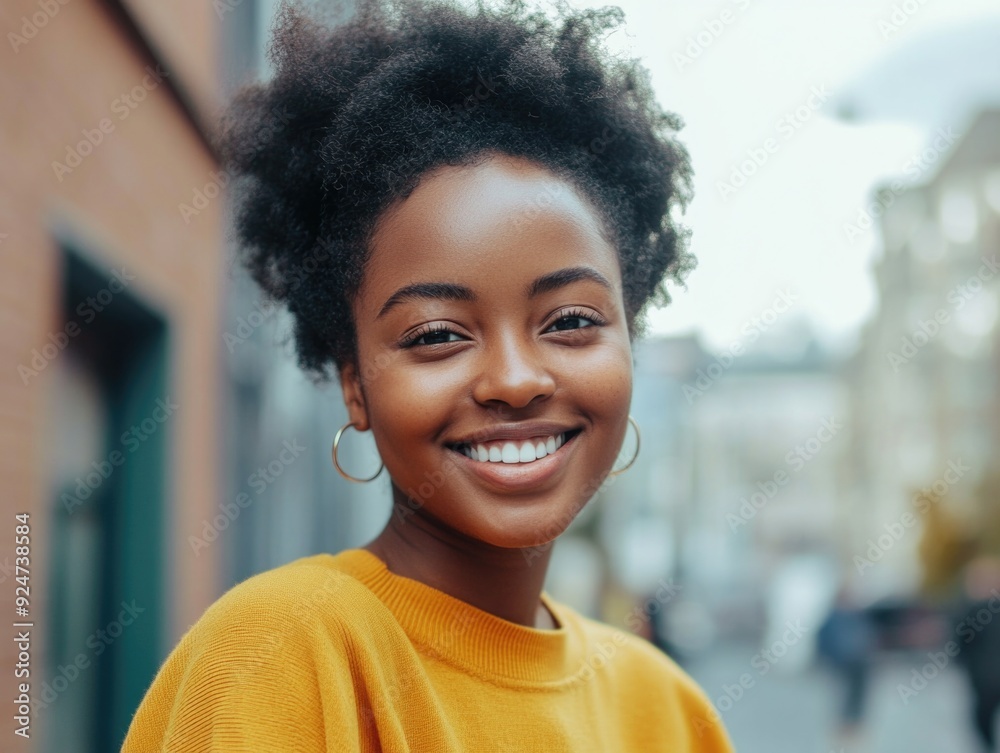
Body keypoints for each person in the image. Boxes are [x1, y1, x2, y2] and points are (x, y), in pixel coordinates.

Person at [122, 0, 733, 750]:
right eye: (438, 334)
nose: (514, 378)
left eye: (571, 321)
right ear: (355, 384)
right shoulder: (286, 653)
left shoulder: (669, 711)